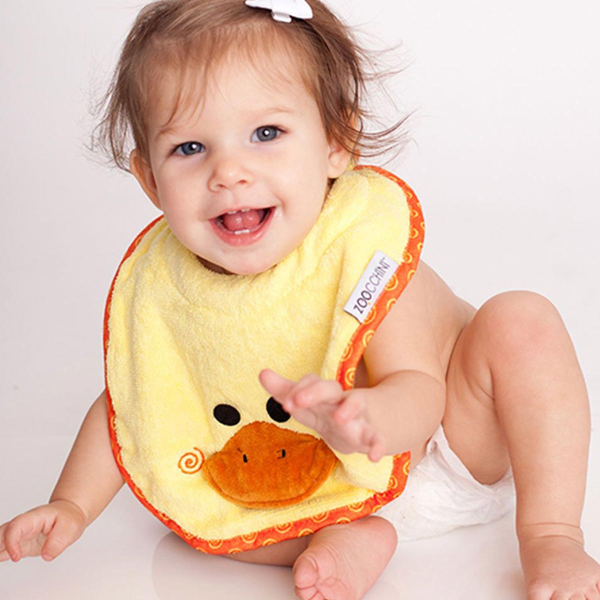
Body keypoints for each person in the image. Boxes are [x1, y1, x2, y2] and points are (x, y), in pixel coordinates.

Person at [1, 1, 599, 598]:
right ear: (150, 179)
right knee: (194, 519)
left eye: (266, 134)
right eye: (190, 148)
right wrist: (72, 504)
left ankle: (551, 535)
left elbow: (422, 388)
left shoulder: (360, 248)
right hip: (311, 491)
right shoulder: (168, 287)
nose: (229, 172)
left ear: (337, 140)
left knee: (521, 320)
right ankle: (348, 537)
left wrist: (367, 420)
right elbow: (131, 405)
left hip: (449, 442)